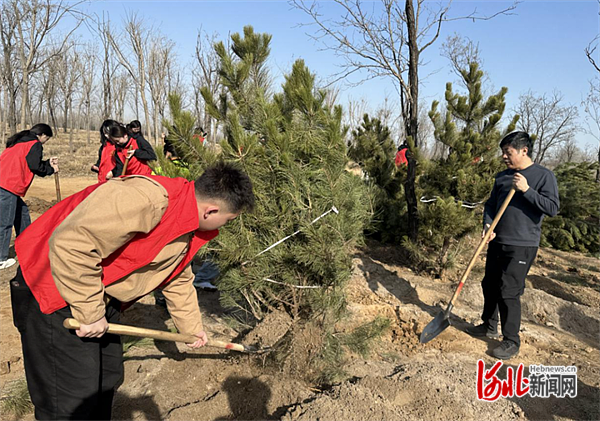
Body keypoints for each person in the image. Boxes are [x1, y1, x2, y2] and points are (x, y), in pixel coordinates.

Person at [10, 162, 255, 420]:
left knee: (106, 380)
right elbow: (72, 244)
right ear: (211, 210)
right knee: (70, 400)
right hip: (54, 288)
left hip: (98, 291)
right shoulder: (144, 199)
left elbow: (176, 275)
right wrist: (91, 312)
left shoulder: (187, 221)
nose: (224, 227)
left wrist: (190, 329)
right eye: (228, 221)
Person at [466, 131, 559, 360]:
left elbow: (552, 208)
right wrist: (488, 225)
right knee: (490, 284)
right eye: (503, 153)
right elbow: (490, 205)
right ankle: (488, 324)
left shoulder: (543, 177)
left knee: (509, 291)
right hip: (498, 240)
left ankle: (511, 340)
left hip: (523, 244)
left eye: (508, 152)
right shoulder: (502, 177)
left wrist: (527, 190)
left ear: (523, 151)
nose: (504, 157)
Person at [0, 123, 59, 270]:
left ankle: (27, 246)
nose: (45, 142)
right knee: (5, 222)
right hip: (8, 185)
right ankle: (1, 259)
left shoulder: (20, 141)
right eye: (47, 139)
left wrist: (47, 163)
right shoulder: (34, 144)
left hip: (6, 183)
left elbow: (30, 162)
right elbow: (35, 166)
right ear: (43, 135)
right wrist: (51, 169)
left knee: (23, 213)